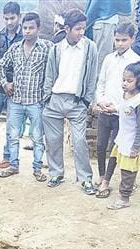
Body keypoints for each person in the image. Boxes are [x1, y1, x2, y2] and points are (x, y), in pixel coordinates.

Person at [42, 8, 98, 193]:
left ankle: (85, 178)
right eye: (77, 29)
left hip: (77, 101)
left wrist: (86, 100)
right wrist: (47, 97)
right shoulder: (56, 49)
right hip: (55, 99)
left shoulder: (90, 48)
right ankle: (56, 173)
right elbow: (49, 75)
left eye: (83, 28)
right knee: (53, 140)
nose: (81, 32)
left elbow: (92, 76)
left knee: (79, 141)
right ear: (67, 29)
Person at [0, 12, 52, 181]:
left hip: (36, 101)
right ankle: (13, 165)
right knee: (13, 136)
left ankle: (37, 169)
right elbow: (0, 66)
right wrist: (5, 83)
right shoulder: (15, 48)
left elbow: (54, 70)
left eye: (31, 28)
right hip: (16, 101)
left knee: (37, 137)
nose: (27, 31)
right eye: (25, 28)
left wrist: (48, 93)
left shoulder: (47, 48)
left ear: (38, 29)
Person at [96, 62, 140, 208]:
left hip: (132, 140)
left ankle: (124, 198)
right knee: (114, 158)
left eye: (129, 81)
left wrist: (136, 147)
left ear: (139, 81)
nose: (125, 83)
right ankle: (108, 182)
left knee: (128, 169)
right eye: (123, 80)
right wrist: (113, 109)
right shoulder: (126, 95)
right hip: (123, 137)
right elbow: (123, 108)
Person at [94, 21, 140, 178]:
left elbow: (137, 93)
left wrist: (118, 107)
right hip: (105, 109)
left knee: (115, 148)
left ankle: (107, 179)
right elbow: (101, 83)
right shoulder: (109, 59)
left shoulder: (136, 61)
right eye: (117, 40)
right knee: (100, 146)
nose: (120, 43)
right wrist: (100, 100)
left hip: (122, 113)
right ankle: (101, 175)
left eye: (124, 40)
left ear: (132, 39)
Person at [0, 2, 23, 168]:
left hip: (17, 89)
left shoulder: (24, 37)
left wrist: (13, 83)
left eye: (12, 18)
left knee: (11, 126)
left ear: (19, 17)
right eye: (6, 18)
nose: (9, 22)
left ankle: (7, 156)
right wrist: (2, 83)